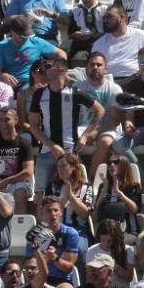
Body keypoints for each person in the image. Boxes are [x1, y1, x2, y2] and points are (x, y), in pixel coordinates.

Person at [28, 58, 104, 198]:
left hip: (69, 152)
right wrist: (52, 146)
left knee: (74, 191)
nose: (44, 70)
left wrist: (85, 135)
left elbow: (100, 111)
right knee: (40, 195)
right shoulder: (39, 94)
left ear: (60, 70)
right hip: (46, 150)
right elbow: (33, 125)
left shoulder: (75, 92)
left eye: (48, 66)